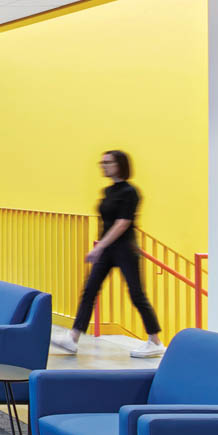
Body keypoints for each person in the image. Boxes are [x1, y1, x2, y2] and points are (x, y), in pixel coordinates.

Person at [52, 150, 165, 359]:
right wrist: (102, 247)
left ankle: (155, 341)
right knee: (90, 290)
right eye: (102, 162)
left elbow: (123, 223)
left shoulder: (130, 192)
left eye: (108, 162)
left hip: (124, 249)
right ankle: (73, 337)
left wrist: (99, 246)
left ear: (120, 165)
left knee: (136, 294)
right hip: (108, 249)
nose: (103, 166)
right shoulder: (108, 191)